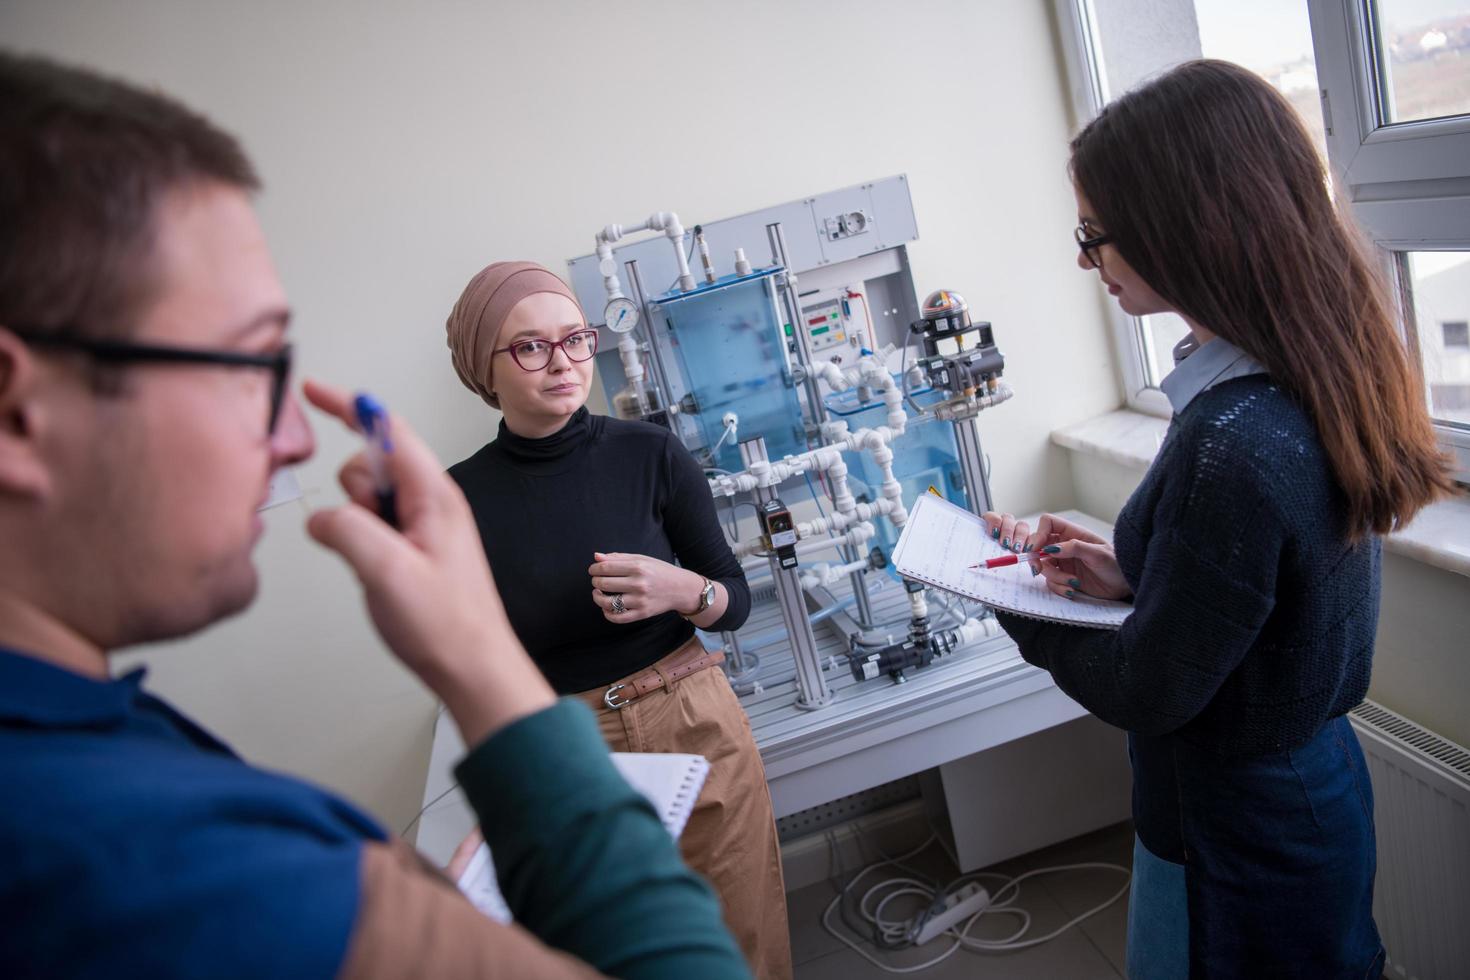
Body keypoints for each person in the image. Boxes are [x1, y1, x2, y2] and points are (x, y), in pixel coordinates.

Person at [0, 51, 750, 980]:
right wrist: (504, 730)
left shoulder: (112, 745)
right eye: (247, 366)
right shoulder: (156, 858)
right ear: (17, 409)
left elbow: (731, 591)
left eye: (575, 340)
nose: (294, 442)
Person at [984, 60, 1454, 978]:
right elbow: (1270, 593)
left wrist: (1003, 596)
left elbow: (1148, 689)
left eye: (1094, 234)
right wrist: (1144, 575)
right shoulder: (1302, 380)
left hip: (1236, 829)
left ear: (1184, 230)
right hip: (1308, 789)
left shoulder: (1233, 439)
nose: (1084, 261)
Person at [445, 262, 792, 979]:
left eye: (575, 339)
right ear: (486, 367)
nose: (564, 363)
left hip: (693, 719)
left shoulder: (651, 454)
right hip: (573, 750)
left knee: (742, 946)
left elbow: (736, 599)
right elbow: (475, 665)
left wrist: (682, 589)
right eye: (530, 347)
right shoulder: (458, 500)